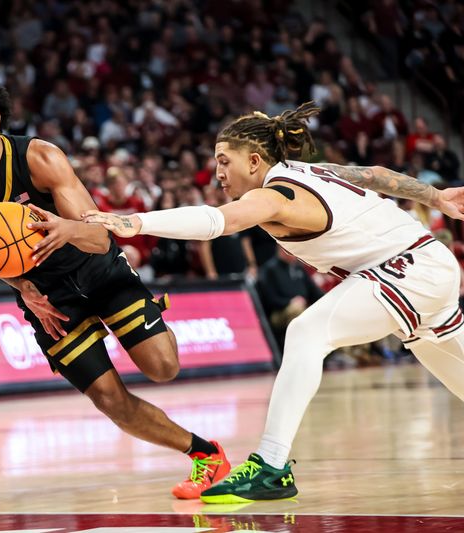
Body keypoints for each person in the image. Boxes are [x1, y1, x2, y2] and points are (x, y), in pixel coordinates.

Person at [84, 103, 464, 503]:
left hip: (408, 268)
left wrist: (136, 222)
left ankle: (271, 465)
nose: (217, 173)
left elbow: (217, 222)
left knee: (306, 332)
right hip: (423, 266)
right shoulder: (312, 170)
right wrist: (436, 196)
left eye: (223, 161)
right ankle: (271, 466)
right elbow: (377, 176)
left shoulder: (278, 194)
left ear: (253, 161)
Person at [0, 71, 231, 500]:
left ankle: (150, 318)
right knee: (110, 401)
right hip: (50, 301)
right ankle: (206, 454)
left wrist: (66, 229)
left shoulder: (38, 157)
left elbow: (100, 236)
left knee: (163, 368)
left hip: (99, 271)